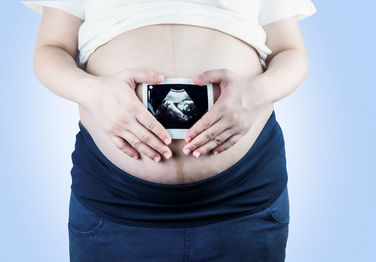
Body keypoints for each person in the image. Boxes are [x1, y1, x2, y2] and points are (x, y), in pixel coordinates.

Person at [22, 0, 317, 261]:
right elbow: (51, 49)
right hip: (116, 201)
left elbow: (290, 52)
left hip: (243, 198)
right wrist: (94, 93)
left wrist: (256, 92)